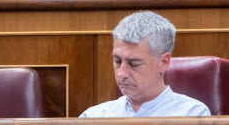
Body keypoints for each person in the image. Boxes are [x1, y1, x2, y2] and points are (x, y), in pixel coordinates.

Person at [80, 11, 211, 117]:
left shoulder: (192, 115)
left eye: (134, 64)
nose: (121, 74)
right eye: (117, 62)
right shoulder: (93, 117)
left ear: (163, 62)